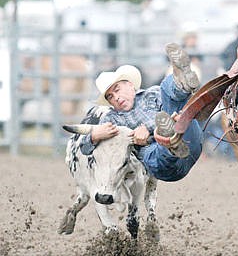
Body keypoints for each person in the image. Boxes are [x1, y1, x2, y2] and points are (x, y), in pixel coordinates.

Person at [80, 43, 203, 181]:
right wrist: (94, 136)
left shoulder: (153, 93)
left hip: (187, 137)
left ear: (130, 85)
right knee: (149, 154)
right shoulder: (112, 119)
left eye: (117, 90)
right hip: (167, 164)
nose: (116, 98)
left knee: (166, 88)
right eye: (110, 97)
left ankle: (182, 84)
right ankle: (168, 143)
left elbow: (174, 105)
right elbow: (83, 149)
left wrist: (177, 117)